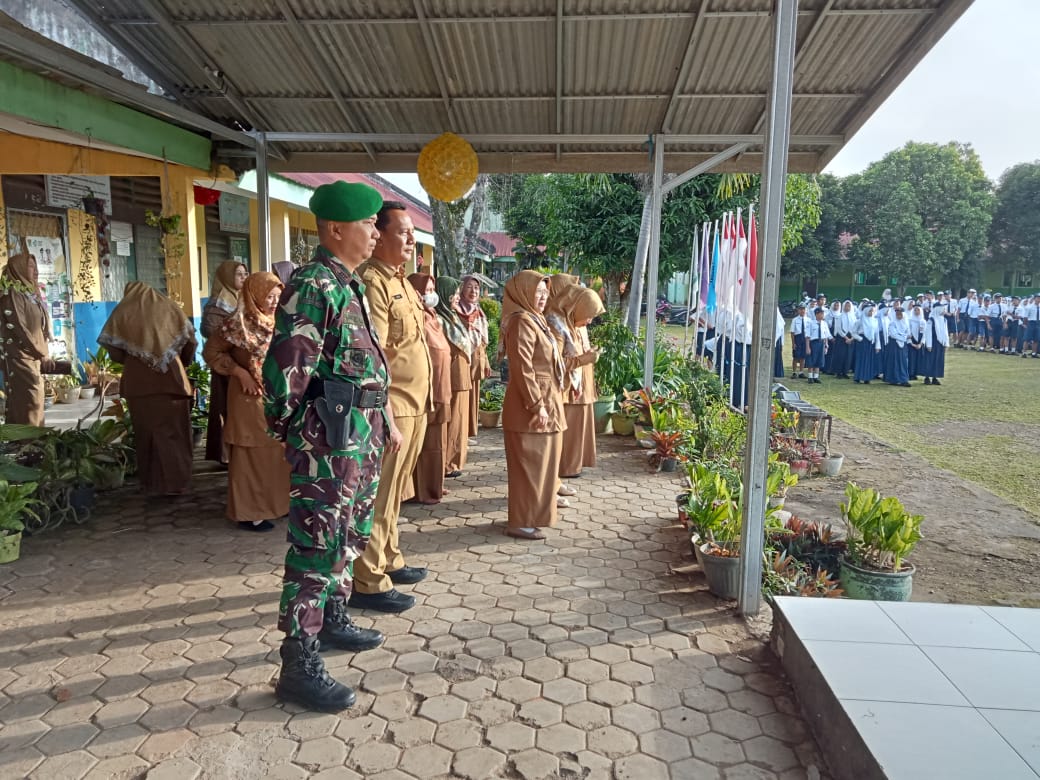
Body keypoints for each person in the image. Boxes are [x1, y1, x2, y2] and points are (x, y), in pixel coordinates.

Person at [263, 181, 391, 712]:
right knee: (317, 545)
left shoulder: (348, 283)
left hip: (358, 435)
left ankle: (333, 617)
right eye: (368, 223)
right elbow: (286, 370)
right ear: (336, 229)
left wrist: (381, 419)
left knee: (350, 534)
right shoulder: (314, 285)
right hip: (328, 442)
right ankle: (298, 662)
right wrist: (293, 432)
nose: (376, 232)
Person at [352, 201, 432, 614]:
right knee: (379, 496)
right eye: (403, 232)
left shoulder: (400, 281)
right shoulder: (373, 283)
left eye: (412, 233)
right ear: (378, 235)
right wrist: (383, 413)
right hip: (394, 406)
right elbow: (375, 356)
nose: (411, 240)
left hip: (415, 404)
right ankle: (368, 580)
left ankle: (388, 558)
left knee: (395, 493)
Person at [203, 271, 289, 532]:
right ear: (255, 295)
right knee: (251, 456)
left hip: (277, 397)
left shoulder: (281, 322)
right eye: (269, 296)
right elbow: (211, 351)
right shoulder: (236, 323)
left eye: (277, 296)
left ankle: (276, 506)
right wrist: (239, 372)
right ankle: (250, 513)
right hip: (249, 398)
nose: (274, 302)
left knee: (276, 453)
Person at [99, 282, 197, 495]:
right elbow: (190, 341)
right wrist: (179, 362)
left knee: (147, 435)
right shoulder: (169, 307)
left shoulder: (123, 311)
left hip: (139, 383)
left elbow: (113, 350)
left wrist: (134, 358)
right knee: (176, 433)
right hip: (173, 380)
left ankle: (154, 484)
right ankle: (178, 482)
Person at [501, 271, 566, 541]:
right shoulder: (522, 322)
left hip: (546, 401)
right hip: (529, 408)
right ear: (523, 293)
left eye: (544, 292)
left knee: (541, 466)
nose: (542, 297)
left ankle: (533, 516)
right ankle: (521, 521)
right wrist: (536, 405)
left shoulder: (536, 319)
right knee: (529, 467)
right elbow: (522, 367)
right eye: (536, 292)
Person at [545, 285, 604, 481]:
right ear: (576, 308)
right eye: (588, 315)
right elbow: (555, 363)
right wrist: (584, 359)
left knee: (579, 430)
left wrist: (589, 356)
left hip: (581, 388)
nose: (589, 321)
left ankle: (574, 466)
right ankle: (565, 468)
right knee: (570, 432)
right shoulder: (556, 325)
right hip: (568, 390)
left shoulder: (575, 325)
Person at [407, 273, 451, 505]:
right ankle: (422, 489)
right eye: (426, 290)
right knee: (426, 442)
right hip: (427, 389)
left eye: (433, 290)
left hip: (442, 386)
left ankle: (435, 484)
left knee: (437, 441)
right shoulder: (417, 317)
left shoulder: (433, 316)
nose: (430, 295)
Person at [202, 260, 248, 465]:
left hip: (243, 363)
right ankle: (225, 454)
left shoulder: (244, 298)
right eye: (239, 274)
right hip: (226, 364)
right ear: (227, 277)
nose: (243, 278)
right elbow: (211, 332)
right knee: (225, 408)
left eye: (245, 274)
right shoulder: (217, 304)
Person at [0, 252, 51, 426]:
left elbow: (41, 327)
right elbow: (20, 328)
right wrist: (41, 353)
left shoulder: (30, 294)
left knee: (29, 400)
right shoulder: (12, 294)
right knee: (31, 399)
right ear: (19, 268)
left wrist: (44, 352)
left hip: (33, 356)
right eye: (30, 266)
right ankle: (29, 439)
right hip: (19, 357)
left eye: (36, 267)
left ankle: (29, 438)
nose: (35, 271)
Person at [437, 277, 473, 480]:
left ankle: (455, 460)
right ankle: (447, 463)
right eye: (455, 293)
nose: (457, 297)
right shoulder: (439, 319)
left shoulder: (451, 316)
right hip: (453, 374)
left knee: (460, 420)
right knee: (453, 421)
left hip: (461, 373)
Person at [458, 275, 491, 438]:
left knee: (474, 396)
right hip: (463, 359)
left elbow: (482, 341)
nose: (473, 291)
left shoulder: (478, 310)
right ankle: (461, 432)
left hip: (477, 358)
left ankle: (470, 432)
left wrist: (486, 362)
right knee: (462, 398)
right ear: (461, 289)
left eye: (476, 288)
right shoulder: (456, 310)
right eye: (469, 287)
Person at [852, 303, 882, 384]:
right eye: (870, 311)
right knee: (861, 359)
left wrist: (877, 346)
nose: (871, 313)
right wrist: (860, 338)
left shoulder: (875, 321)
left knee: (869, 360)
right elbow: (853, 332)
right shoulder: (859, 321)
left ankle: (867, 378)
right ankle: (858, 377)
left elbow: (877, 334)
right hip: (862, 342)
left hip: (871, 343)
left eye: (872, 311)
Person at [921, 300, 949, 385]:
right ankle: (927, 377)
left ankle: (935, 377)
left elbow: (945, 332)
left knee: (938, 360)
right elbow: (928, 333)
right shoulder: (931, 320)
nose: (944, 311)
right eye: (943, 309)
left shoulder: (944, 320)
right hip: (932, 343)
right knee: (930, 360)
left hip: (940, 343)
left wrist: (946, 343)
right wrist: (928, 345)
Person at [883, 307, 911, 387]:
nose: (899, 316)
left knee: (903, 362)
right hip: (894, 345)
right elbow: (893, 334)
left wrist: (903, 336)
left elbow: (909, 333)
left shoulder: (906, 323)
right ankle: (893, 379)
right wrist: (904, 337)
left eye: (900, 314)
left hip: (903, 345)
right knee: (894, 361)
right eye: (897, 314)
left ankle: (903, 379)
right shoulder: (892, 323)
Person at [804, 307, 830, 384]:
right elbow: (807, 336)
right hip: (813, 343)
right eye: (821, 314)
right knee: (811, 360)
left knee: (819, 360)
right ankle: (810, 377)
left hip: (821, 343)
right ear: (816, 314)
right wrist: (808, 347)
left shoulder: (824, 323)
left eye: (823, 314)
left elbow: (826, 335)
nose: (822, 315)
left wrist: (826, 345)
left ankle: (816, 377)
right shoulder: (811, 323)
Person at [790, 303, 809, 378]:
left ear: (806, 310)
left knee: (803, 357)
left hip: (805, 338)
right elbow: (792, 332)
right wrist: (793, 343)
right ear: (798, 310)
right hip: (798, 338)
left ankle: (801, 372)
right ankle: (794, 372)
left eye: (804, 309)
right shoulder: (795, 320)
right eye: (801, 309)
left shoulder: (809, 320)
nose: (802, 311)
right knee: (796, 356)